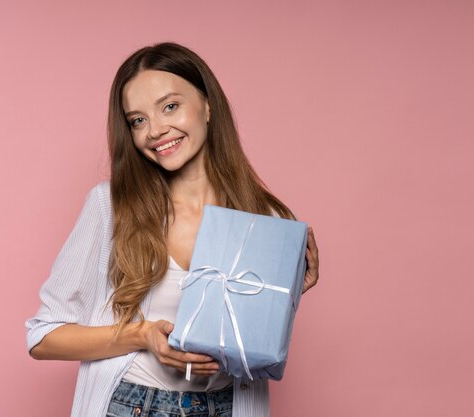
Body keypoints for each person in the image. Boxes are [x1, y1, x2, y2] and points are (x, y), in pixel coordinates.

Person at [25, 42, 320, 417]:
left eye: (170, 106)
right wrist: (141, 335)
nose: (156, 130)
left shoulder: (268, 219)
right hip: (130, 405)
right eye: (138, 120)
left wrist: (287, 292)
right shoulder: (110, 206)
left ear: (208, 105)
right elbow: (43, 336)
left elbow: (252, 351)